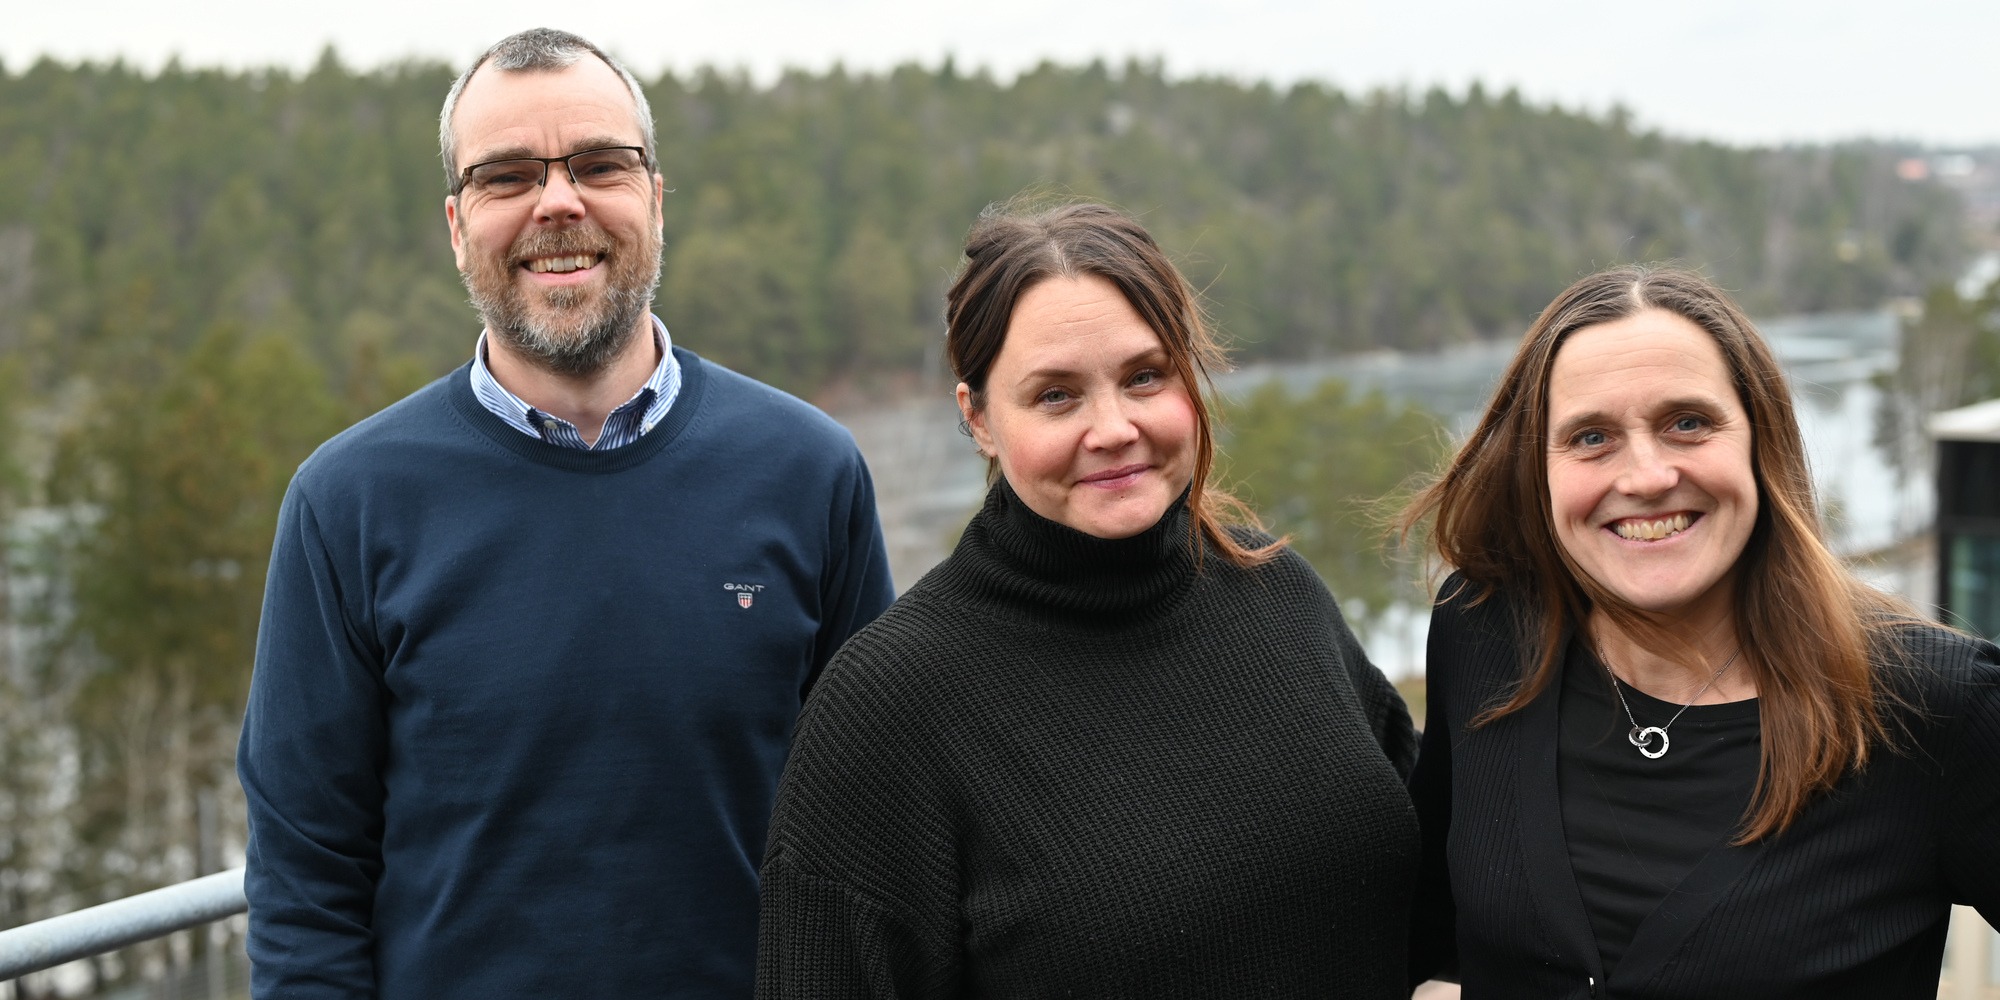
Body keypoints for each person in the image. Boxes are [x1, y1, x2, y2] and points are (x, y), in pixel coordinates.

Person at [236, 28, 895, 999]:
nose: (558, 201)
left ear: (654, 201)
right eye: (507, 176)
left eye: (598, 164)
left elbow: (871, 827)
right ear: (457, 225)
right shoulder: (348, 502)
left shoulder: (808, 470)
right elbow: (306, 883)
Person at [753, 202, 1419, 998]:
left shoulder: (1277, 593)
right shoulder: (888, 707)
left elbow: (1448, 872)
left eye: (1145, 377)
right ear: (979, 420)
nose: (1114, 427)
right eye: (1057, 396)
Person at [1401, 264, 2000, 999]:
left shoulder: (1933, 705)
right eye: (1591, 437)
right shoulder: (1486, 633)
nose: (1647, 476)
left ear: (1761, 440)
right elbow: (1414, 919)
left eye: (1688, 422)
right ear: (1539, 473)